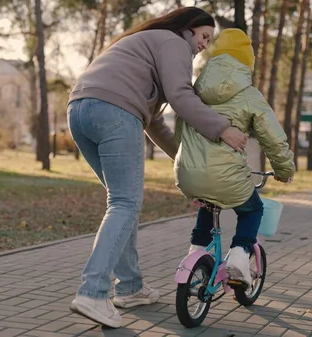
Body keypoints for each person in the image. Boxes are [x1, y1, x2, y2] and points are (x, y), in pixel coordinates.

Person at [66, 7, 249, 328]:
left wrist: (188, 161)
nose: (205, 44)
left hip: (81, 110)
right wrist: (222, 128)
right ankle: (92, 293)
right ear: (188, 29)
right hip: (113, 112)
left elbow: (154, 124)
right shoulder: (173, 43)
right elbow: (181, 95)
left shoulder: (146, 44)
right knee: (124, 202)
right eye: (204, 36)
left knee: (121, 203)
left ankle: (131, 288)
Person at [174, 28, 296, 287]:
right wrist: (284, 170)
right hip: (226, 175)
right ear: (247, 61)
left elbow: (180, 131)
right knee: (253, 208)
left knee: (209, 204)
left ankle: (196, 252)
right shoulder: (249, 95)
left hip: (187, 171)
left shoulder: (194, 90)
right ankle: (240, 257)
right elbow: (273, 138)